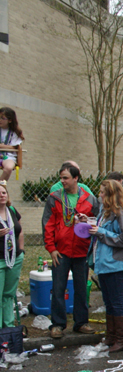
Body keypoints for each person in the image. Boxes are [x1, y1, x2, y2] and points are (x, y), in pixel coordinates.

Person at [43, 163, 99, 339]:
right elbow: (48, 224)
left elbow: (97, 222)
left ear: (76, 178)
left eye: (66, 178)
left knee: (82, 289)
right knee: (58, 288)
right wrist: (51, 248)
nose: (62, 181)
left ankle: (81, 323)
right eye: (61, 178)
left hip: (81, 251)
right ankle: (58, 324)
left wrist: (87, 220)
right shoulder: (55, 198)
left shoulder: (90, 199)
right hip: (61, 251)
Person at [89, 179, 123, 353]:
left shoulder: (121, 213)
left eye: (102, 192)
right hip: (104, 261)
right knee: (108, 300)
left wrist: (100, 232)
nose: (99, 195)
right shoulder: (105, 212)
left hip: (114, 263)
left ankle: (122, 340)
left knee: (116, 301)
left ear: (110, 195)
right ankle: (111, 335)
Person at [0, 182, 24, 328]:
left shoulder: (12, 210)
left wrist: (21, 250)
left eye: (3, 193)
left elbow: (19, 230)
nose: (1, 196)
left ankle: (8, 328)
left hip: (14, 258)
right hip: (0, 260)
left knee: (8, 295)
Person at [0, 107, 23, 182]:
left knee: (8, 168)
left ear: (10, 120)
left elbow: (15, 147)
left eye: (3, 118)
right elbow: (11, 147)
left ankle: (1, 186)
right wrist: (9, 147)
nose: (0, 120)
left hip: (8, 156)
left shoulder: (15, 132)